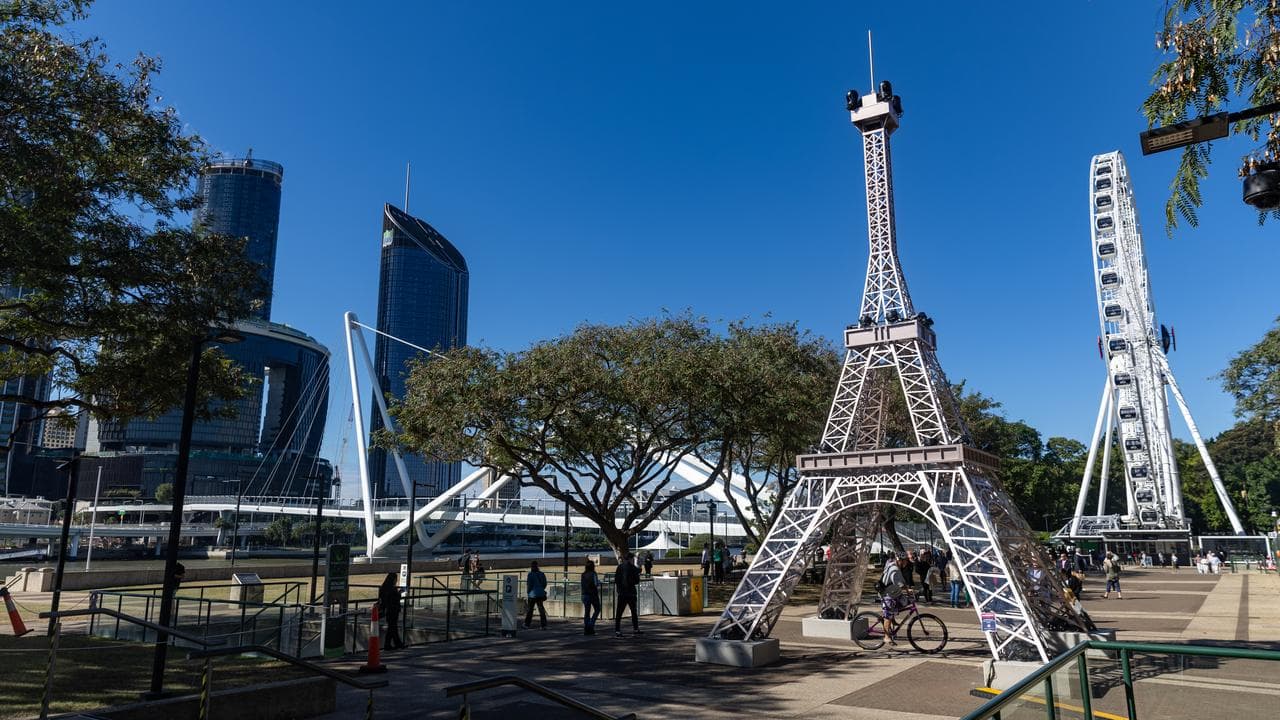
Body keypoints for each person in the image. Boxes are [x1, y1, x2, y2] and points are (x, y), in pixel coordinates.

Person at [878, 555, 909, 642]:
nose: (906, 563)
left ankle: (891, 619)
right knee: (888, 615)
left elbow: (902, 581)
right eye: (905, 561)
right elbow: (897, 582)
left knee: (903, 602)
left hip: (894, 593)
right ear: (900, 560)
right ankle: (886, 636)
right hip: (888, 595)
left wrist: (907, 589)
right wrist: (906, 589)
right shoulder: (894, 569)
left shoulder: (896, 567)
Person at [614, 552, 641, 637]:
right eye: (632, 559)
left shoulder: (619, 567)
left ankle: (617, 630)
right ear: (630, 559)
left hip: (622, 593)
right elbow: (637, 580)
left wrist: (619, 589)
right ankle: (635, 629)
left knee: (619, 612)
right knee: (633, 612)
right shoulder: (632, 568)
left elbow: (616, 579)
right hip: (631, 592)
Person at [378, 572, 405, 650]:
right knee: (392, 627)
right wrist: (399, 593)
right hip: (393, 610)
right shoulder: (392, 589)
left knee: (392, 627)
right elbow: (395, 599)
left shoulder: (383, 588)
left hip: (387, 610)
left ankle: (395, 643)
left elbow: (382, 599)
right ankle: (392, 644)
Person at [524, 561, 548, 629]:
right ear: (537, 566)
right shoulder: (542, 574)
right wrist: (540, 589)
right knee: (541, 609)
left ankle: (527, 624)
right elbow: (544, 584)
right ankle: (543, 625)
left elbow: (529, 585)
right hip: (540, 594)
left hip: (532, 594)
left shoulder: (530, 574)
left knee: (530, 610)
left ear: (531, 567)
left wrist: (528, 592)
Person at [581, 559, 602, 635]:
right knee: (597, 609)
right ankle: (591, 624)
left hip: (584, 594)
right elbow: (596, 584)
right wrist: (599, 582)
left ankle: (586, 628)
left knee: (587, 612)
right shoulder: (593, 574)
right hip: (593, 595)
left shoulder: (583, 574)